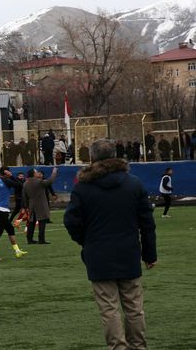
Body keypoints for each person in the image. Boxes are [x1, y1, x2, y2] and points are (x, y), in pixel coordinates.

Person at [64, 139, 157, 350]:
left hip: (98, 254)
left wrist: (86, 241)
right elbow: (147, 224)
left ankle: (118, 347)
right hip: (128, 252)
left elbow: (71, 221)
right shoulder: (133, 183)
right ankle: (139, 346)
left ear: (92, 157)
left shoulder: (84, 188)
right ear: (115, 155)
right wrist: (149, 254)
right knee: (134, 308)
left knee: (109, 309)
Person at [0, 168, 28, 261]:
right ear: (6, 172)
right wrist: (12, 176)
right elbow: (20, 185)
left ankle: (17, 251)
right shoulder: (6, 180)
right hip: (2, 210)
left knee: (10, 229)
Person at [22, 167, 58, 244]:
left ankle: (29, 239)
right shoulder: (39, 181)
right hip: (41, 204)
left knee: (31, 222)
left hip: (31, 205)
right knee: (42, 222)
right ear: (34, 174)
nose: (38, 173)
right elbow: (50, 181)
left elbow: (24, 197)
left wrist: (25, 207)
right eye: (36, 172)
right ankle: (41, 239)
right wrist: (54, 172)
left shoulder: (25, 183)